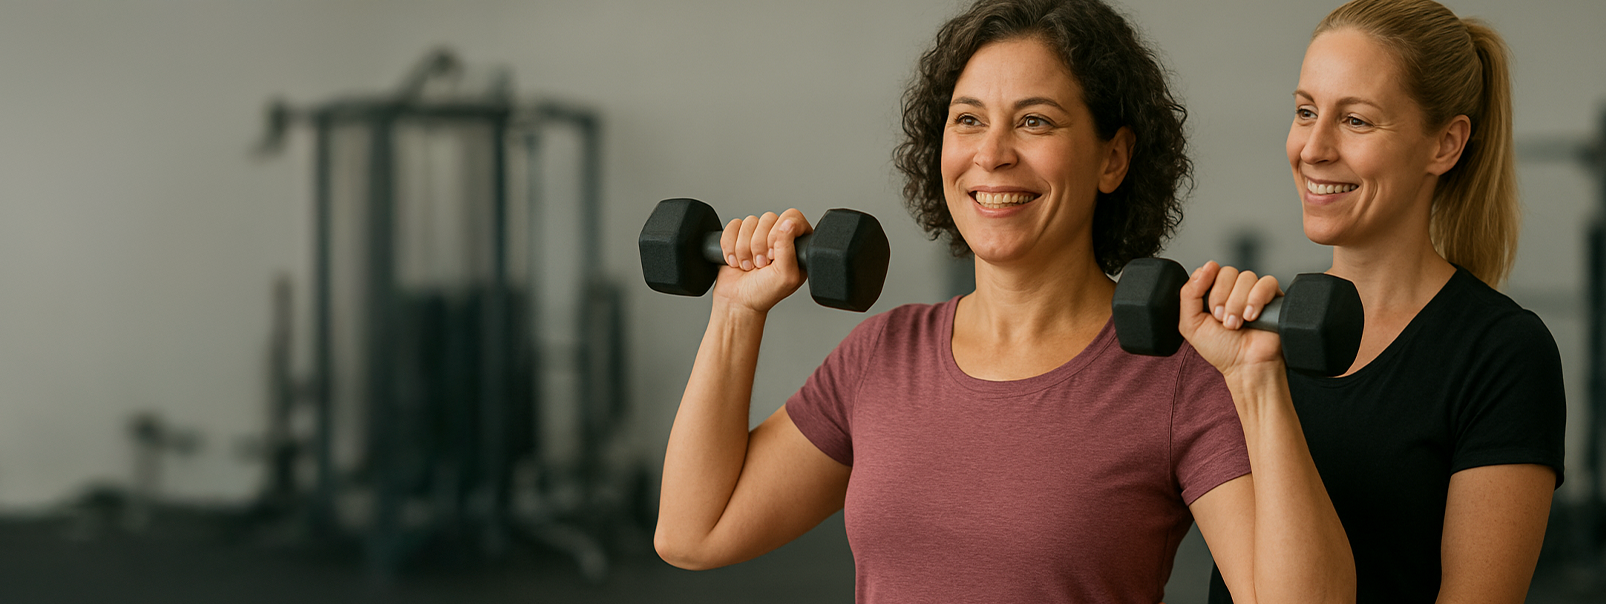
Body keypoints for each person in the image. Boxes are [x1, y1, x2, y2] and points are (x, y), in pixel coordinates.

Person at [650, 0, 1353, 601]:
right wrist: (737, 311)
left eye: (1035, 122)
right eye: (968, 120)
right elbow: (694, 532)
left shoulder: (1177, 374)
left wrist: (1256, 380)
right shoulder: (882, 355)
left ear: (1113, 158)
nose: (991, 155)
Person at [1197, 1, 1565, 602]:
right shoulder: (1254, 337)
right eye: (1305, 112)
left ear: (1444, 144)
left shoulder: (1502, 353)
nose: (1313, 148)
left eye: (1356, 121)